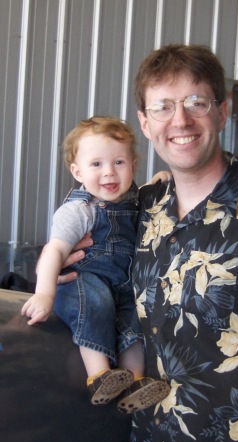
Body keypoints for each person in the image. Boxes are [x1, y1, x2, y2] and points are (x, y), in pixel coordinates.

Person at [61, 46, 238, 442]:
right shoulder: (143, 207)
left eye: (196, 102)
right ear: (145, 122)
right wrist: (65, 262)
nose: (180, 120)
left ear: (222, 113)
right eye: (163, 107)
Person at [21, 116, 170, 412]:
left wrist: (156, 183)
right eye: (96, 164)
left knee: (135, 321)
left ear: (133, 166)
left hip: (122, 285)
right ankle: (99, 374)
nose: (109, 173)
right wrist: (44, 293)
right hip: (84, 282)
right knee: (97, 305)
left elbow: (140, 198)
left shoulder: (132, 200)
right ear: (77, 171)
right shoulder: (80, 209)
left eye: (119, 162)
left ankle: (134, 383)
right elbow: (54, 251)